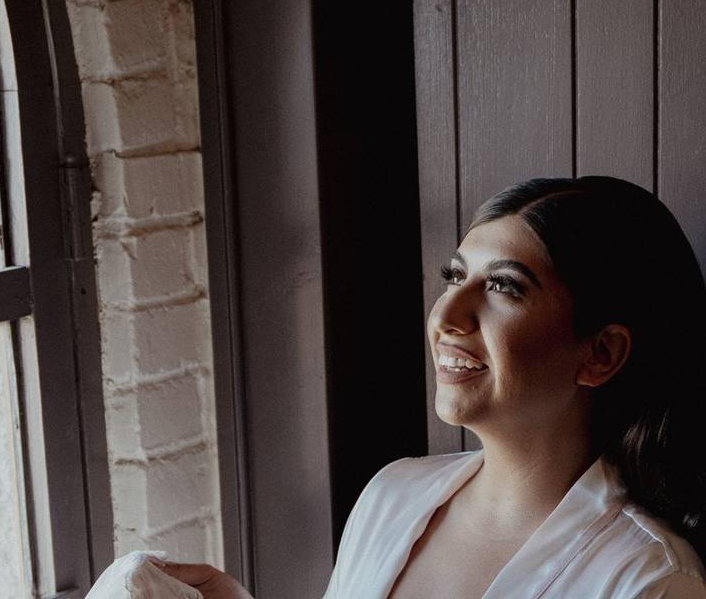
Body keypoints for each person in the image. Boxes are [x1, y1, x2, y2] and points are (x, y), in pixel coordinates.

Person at [155, 176, 706, 597]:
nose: (447, 314)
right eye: (454, 276)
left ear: (601, 353)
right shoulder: (392, 495)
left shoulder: (646, 575)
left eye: (504, 287)